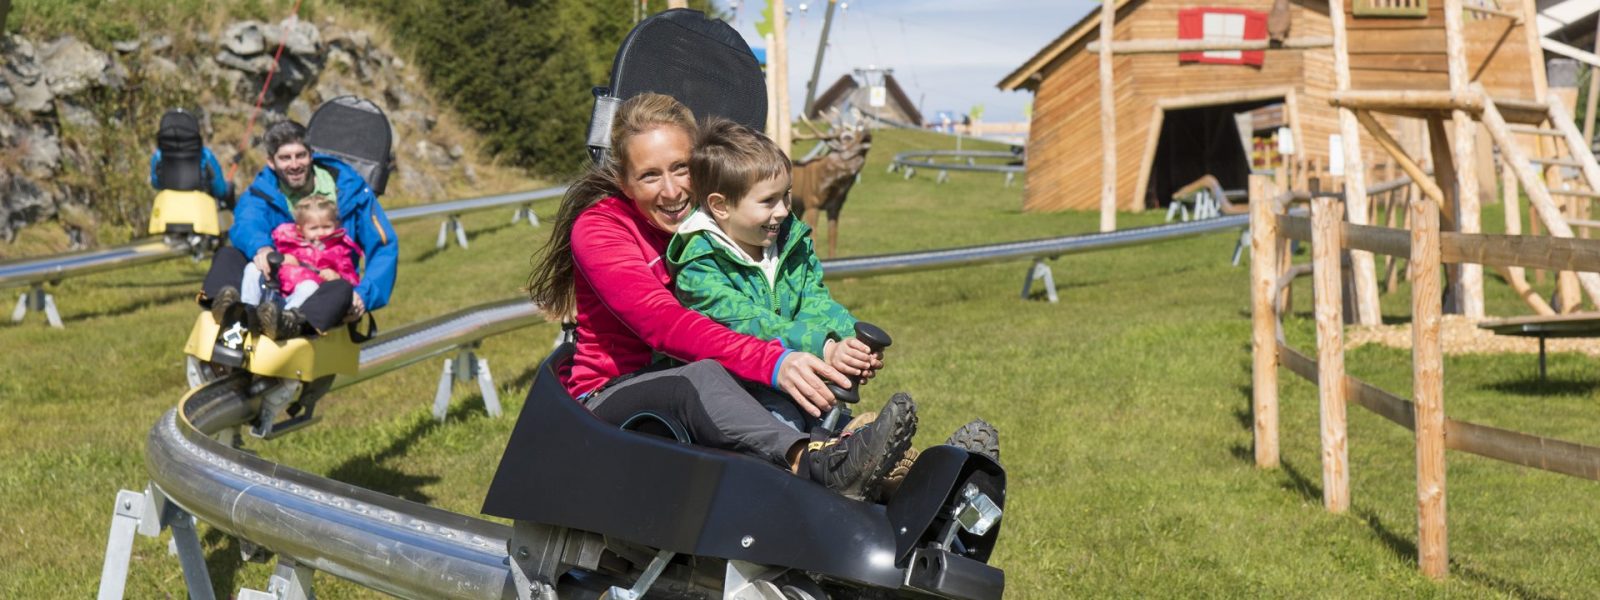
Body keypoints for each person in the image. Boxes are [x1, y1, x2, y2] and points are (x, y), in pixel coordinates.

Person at [525, 93, 914, 501]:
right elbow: (664, 325)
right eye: (650, 176)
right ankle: (812, 461)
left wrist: (832, 342)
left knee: (743, 379)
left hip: (702, 376)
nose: (673, 190)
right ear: (625, 183)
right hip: (613, 394)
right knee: (699, 378)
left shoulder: (716, 221)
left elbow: (777, 300)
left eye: (681, 168)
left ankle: (892, 464)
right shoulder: (602, 229)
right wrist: (775, 361)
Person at [664, 117, 872, 431]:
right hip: (735, 387)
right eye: (768, 201)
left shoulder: (788, 241)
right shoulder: (700, 266)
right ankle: (828, 458)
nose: (784, 210)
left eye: (786, 195)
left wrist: (850, 337)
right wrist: (823, 346)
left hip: (792, 373)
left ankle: (859, 450)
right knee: (784, 419)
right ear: (721, 206)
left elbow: (813, 300)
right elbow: (750, 322)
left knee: (827, 412)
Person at [199, 120, 398, 337]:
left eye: (300, 155)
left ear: (311, 155)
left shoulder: (352, 190)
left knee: (342, 289)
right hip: (276, 280)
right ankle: (230, 312)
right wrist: (262, 248)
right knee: (227, 255)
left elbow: (384, 246)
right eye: (285, 158)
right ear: (271, 163)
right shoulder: (262, 191)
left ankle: (290, 323)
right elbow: (247, 222)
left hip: (323, 285)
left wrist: (363, 295)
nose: (294, 164)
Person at [237, 195, 363, 339]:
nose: (320, 232)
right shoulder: (286, 240)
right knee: (253, 268)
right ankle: (246, 313)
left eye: (327, 227)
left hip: (299, 303)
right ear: (300, 228)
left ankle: (285, 322)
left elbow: (351, 279)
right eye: (313, 228)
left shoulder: (339, 249)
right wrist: (281, 258)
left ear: (336, 224)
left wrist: (337, 276)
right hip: (275, 292)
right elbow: (270, 257)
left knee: (309, 286)